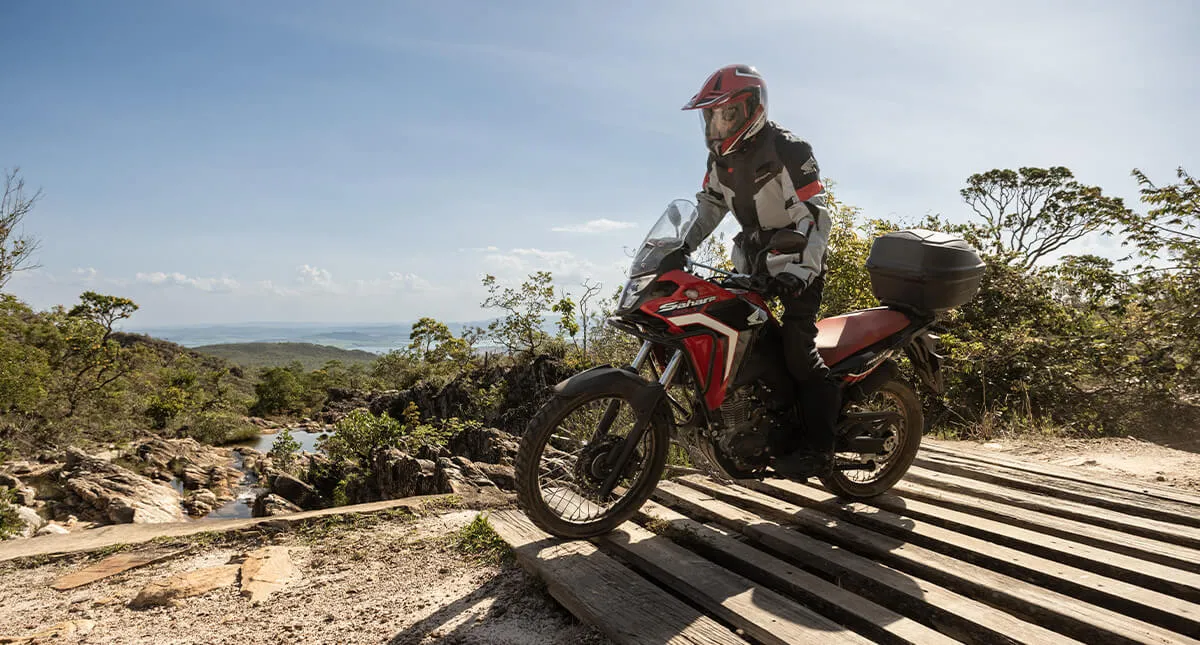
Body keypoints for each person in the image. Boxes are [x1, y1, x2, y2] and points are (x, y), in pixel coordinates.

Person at [680, 63, 840, 478]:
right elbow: (709, 207)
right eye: (712, 116)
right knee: (742, 341)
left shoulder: (789, 149)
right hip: (752, 264)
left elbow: (816, 218)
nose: (718, 125)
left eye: (726, 114)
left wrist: (800, 271)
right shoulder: (720, 159)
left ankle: (821, 448)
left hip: (798, 263)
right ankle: (761, 429)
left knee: (797, 353)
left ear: (752, 109)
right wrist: (677, 245)